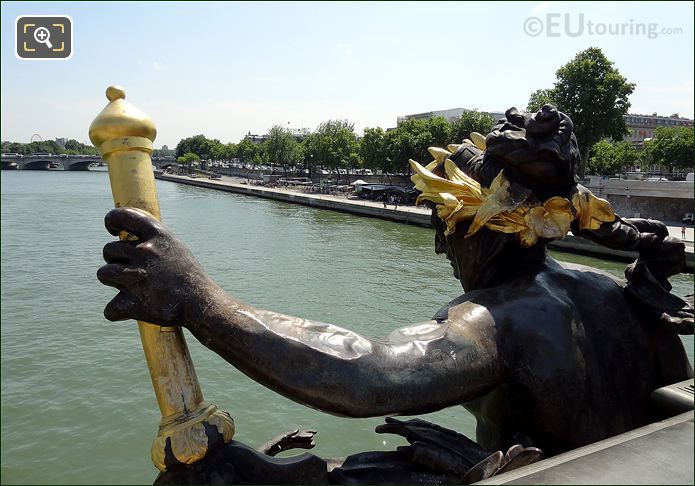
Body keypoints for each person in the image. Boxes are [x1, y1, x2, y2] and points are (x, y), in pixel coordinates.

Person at [98, 106, 693, 483]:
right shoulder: (624, 296)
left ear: (466, 225)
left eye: (441, 231)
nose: (441, 251)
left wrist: (199, 300)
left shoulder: (496, 319)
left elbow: (367, 374)